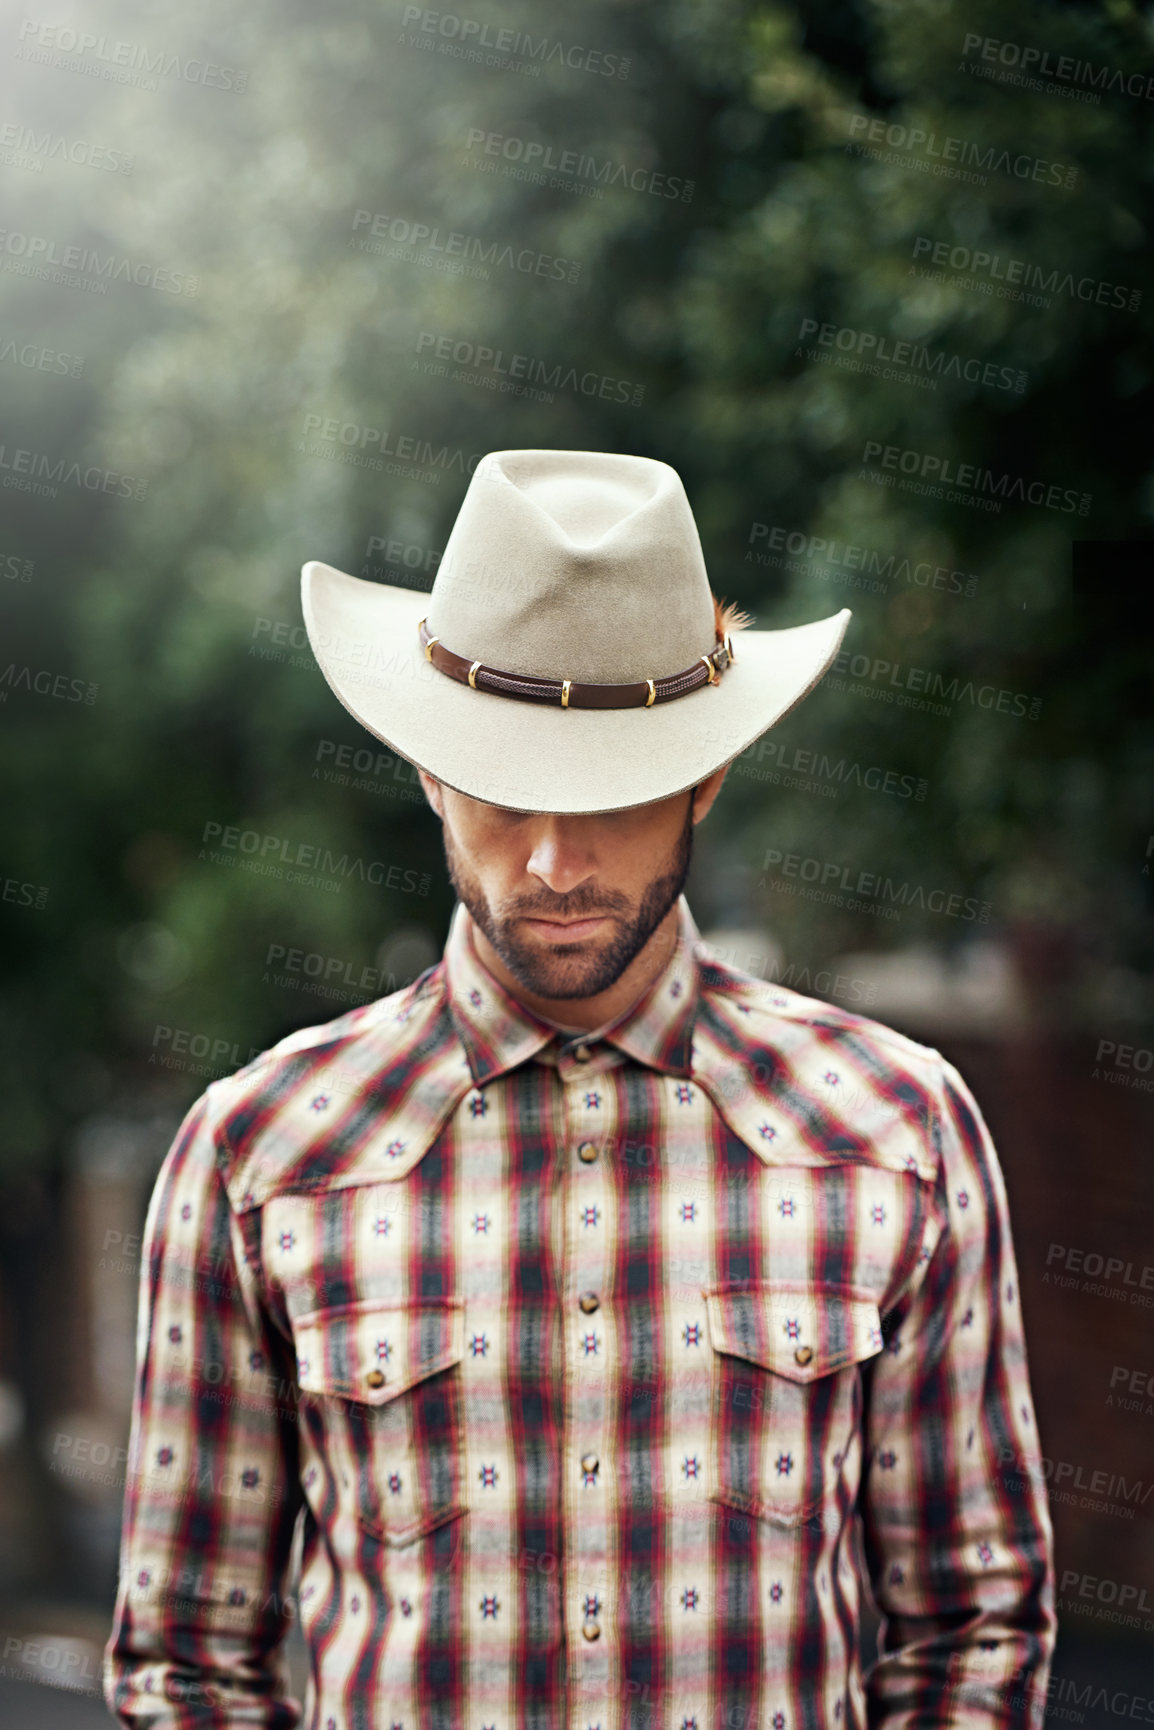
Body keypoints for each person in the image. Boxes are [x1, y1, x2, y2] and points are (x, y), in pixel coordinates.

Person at [104, 449, 1056, 1728]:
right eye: (504, 794)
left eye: (611, 797)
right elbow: (185, 1658)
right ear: (429, 771)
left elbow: (971, 1619)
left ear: (705, 778)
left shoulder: (898, 1131)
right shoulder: (261, 1150)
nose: (555, 861)